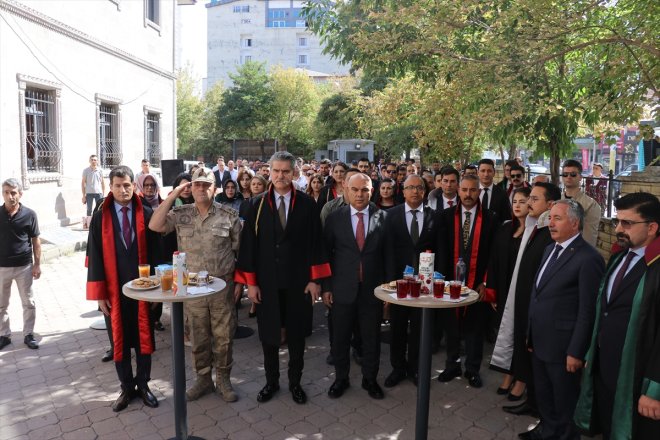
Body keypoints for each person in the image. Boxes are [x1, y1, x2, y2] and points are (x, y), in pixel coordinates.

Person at [235, 151, 331, 405]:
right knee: (268, 336)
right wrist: (251, 284)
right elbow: (248, 248)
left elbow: (316, 244)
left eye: (285, 171)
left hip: (299, 282)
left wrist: (315, 281)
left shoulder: (308, 205)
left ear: (293, 173)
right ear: (269, 171)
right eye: (276, 171)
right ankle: (272, 382)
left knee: (298, 335)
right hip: (266, 282)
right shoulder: (255, 205)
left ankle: (295, 383)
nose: (280, 176)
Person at [150, 167, 242, 403]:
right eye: (197, 184)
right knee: (198, 338)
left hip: (222, 289)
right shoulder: (181, 214)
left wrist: (239, 283)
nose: (201, 188)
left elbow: (240, 251)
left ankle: (223, 379)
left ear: (215, 188)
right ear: (191, 187)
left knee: (224, 338)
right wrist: (173, 194)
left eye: (206, 184)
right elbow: (155, 225)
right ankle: (203, 379)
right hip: (193, 290)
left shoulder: (229, 216)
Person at [575, 192, 660, 440]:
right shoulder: (619, 257)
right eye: (617, 221)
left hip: (638, 377)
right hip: (606, 368)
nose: (618, 229)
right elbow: (605, 311)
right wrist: (593, 352)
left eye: (627, 223)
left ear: (653, 227)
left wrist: (655, 390)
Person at [525, 199, 605, 440]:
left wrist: (576, 351)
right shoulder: (550, 249)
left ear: (575, 223)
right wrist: (530, 334)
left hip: (564, 348)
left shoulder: (588, 258)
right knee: (544, 396)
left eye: (557, 218)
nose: (550, 223)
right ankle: (547, 431)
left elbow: (587, 310)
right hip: (540, 341)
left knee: (564, 401)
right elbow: (538, 295)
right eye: (550, 218)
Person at [86, 165, 162, 412]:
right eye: (118, 185)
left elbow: (157, 254)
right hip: (114, 292)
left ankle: (144, 385)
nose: (123, 189)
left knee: (143, 340)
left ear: (134, 185)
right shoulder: (101, 216)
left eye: (127, 185)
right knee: (118, 340)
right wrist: (99, 296)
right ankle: (127, 388)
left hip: (143, 290)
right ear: (111, 187)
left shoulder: (146, 213)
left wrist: (156, 292)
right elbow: (95, 256)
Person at [497, 182, 561, 419]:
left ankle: (538, 407)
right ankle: (532, 402)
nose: (529, 203)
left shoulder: (550, 234)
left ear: (550, 204)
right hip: (524, 301)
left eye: (535, 199)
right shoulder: (534, 228)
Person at [323, 173, 388, 400]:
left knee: (371, 338)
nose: (360, 194)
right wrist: (327, 287)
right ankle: (341, 379)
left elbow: (387, 258)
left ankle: (370, 379)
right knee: (340, 338)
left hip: (373, 291)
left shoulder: (383, 217)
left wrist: (388, 292)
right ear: (346, 190)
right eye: (355, 190)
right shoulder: (334, 218)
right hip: (342, 290)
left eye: (365, 190)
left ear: (372, 191)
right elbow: (326, 255)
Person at [436, 174, 499, 388]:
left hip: (477, 283)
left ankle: (472, 369)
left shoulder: (491, 218)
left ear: (479, 192)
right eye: (464, 190)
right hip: (449, 283)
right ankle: (452, 365)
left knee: (475, 328)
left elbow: (494, 255)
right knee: (451, 326)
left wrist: (486, 281)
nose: (468, 194)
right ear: (458, 191)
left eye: (473, 190)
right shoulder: (444, 217)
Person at [383, 175, 438, 387]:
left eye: (419, 187)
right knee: (397, 326)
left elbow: (439, 249)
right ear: (403, 191)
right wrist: (389, 282)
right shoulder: (390, 216)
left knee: (419, 327)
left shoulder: (435, 217)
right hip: (399, 283)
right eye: (410, 187)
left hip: (424, 284)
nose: (415, 191)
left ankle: (415, 368)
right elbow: (386, 251)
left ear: (424, 191)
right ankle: (397, 367)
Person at [487, 187, 531, 400]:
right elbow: (494, 260)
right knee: (505, 333)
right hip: (504, 290)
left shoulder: (535, 233)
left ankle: (521, 379)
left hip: (522, 292)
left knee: (521, 334)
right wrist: (492, 289)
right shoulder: (505, 228)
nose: (517, 205)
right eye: (515, 201)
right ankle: (508, 372)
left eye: (523, 201)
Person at [0, 178, 41, 351]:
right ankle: (4, 335)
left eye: (13, 192)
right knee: (1, 304)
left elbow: (36, 241)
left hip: (24, 266)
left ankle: (29, 334)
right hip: (2, 267)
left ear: (20, 194)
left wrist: (37, 264)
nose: (10, 196)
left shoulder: (29, 214)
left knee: (28, 302)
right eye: (6, 192)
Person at [560, 159, 600, 247]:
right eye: (565, 174)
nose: (568, 177)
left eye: (573, 174)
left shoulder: (591, 205)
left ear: (580, 177)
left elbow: (589, 238)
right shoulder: (557, 200)